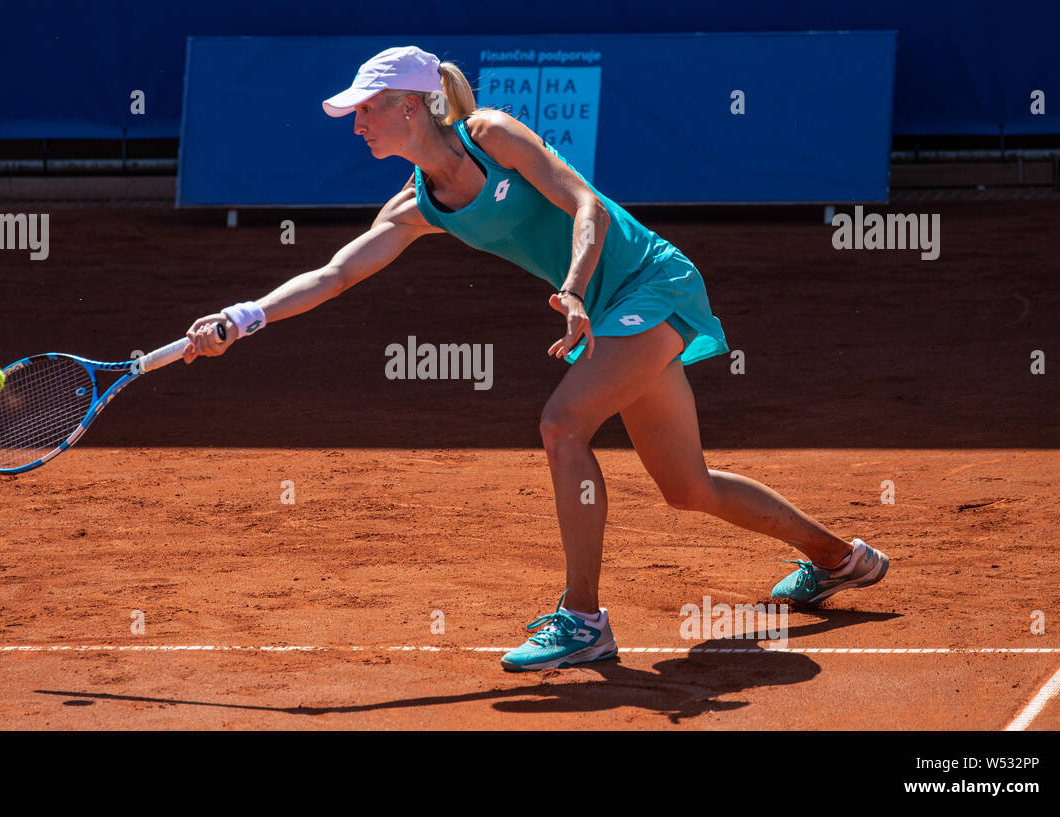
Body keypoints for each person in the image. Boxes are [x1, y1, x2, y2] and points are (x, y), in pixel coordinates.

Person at [181, 46, 889, 672]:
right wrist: (245, 317)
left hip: (651, 284)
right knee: (687, 485)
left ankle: (582, 621)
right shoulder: (415, 206)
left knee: (561, 424)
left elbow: (588, 206)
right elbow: (335, 273)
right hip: (610, 314)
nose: (356, 122)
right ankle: (838, 559)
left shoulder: (489, 134)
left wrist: (576, 289)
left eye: (366, 109)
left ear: (410, 106)